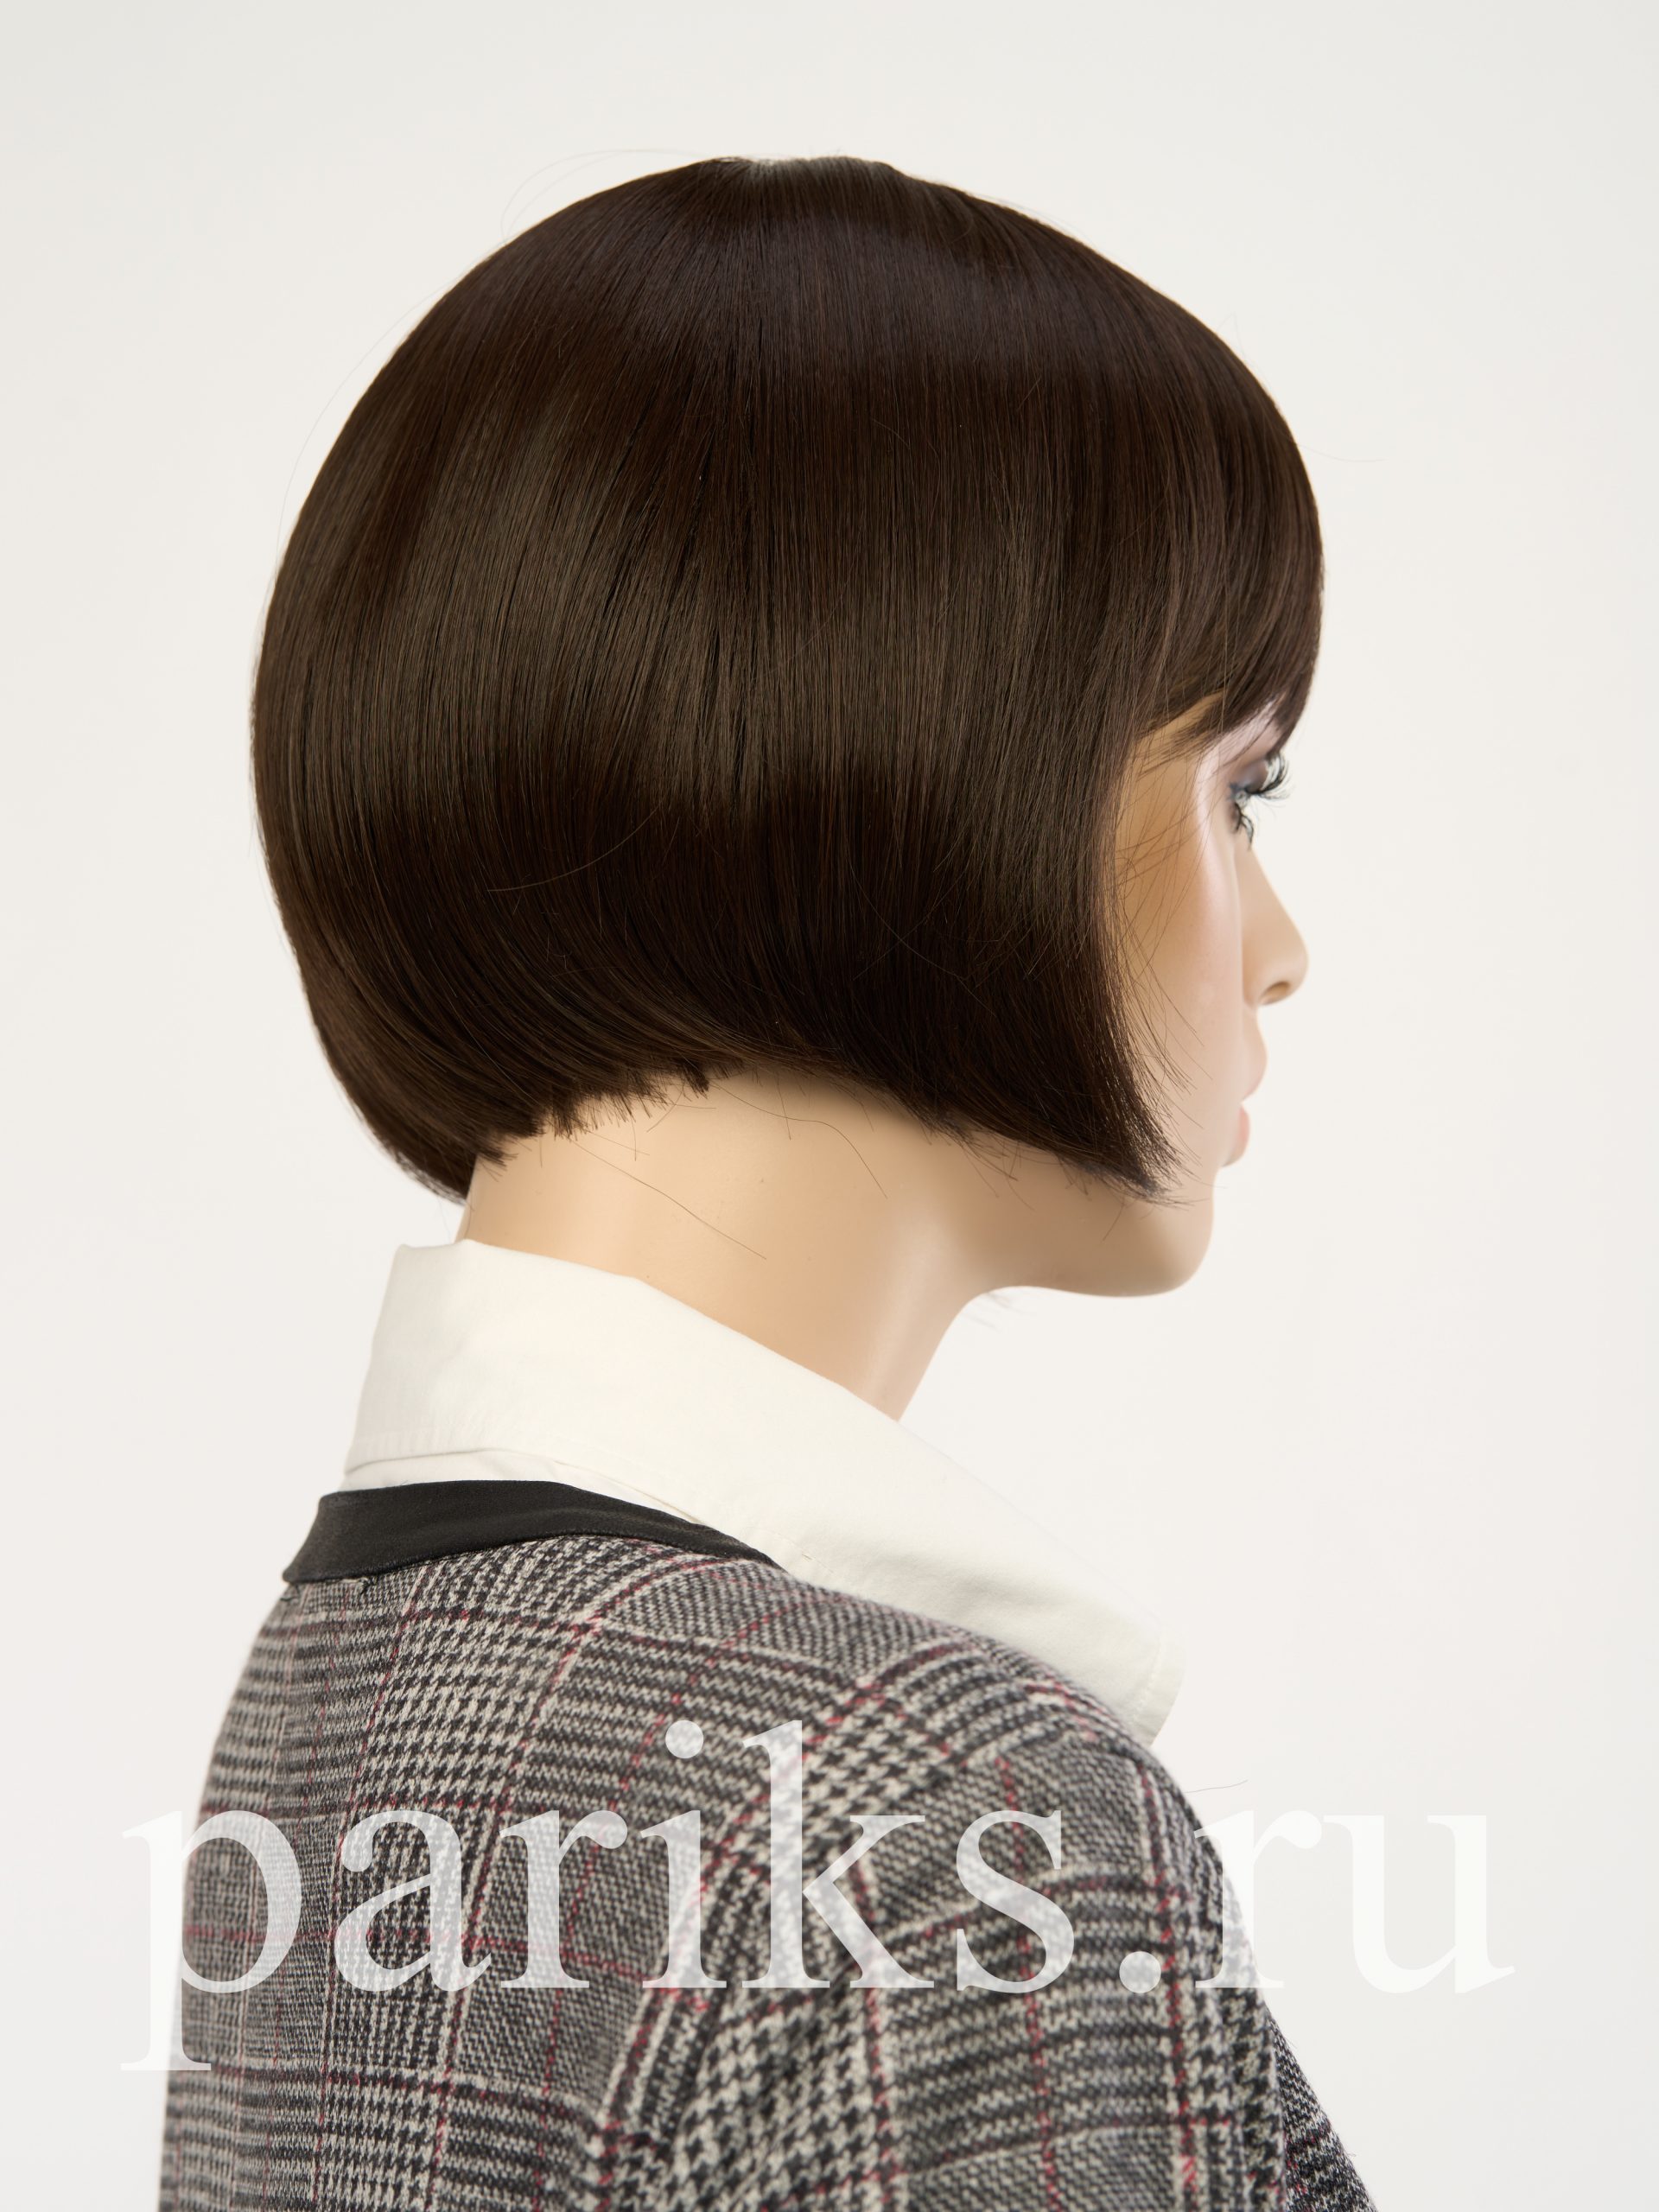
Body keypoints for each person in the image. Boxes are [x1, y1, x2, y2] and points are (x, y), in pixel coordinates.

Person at [159, 154, 1376, 2208]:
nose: (1282, 944)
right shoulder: (957, 1825)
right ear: (928, 772)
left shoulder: (355, 1674)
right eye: (1239, 786)